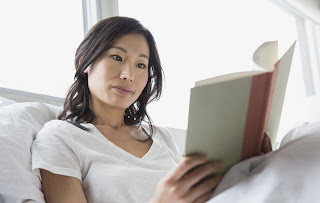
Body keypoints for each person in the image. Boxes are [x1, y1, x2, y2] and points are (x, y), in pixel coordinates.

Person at [31, 16, 226, 203]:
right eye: (117, 57)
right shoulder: (59, 137)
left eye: (140, 65)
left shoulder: (161, 137)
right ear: (84, 61)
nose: (128, 75)